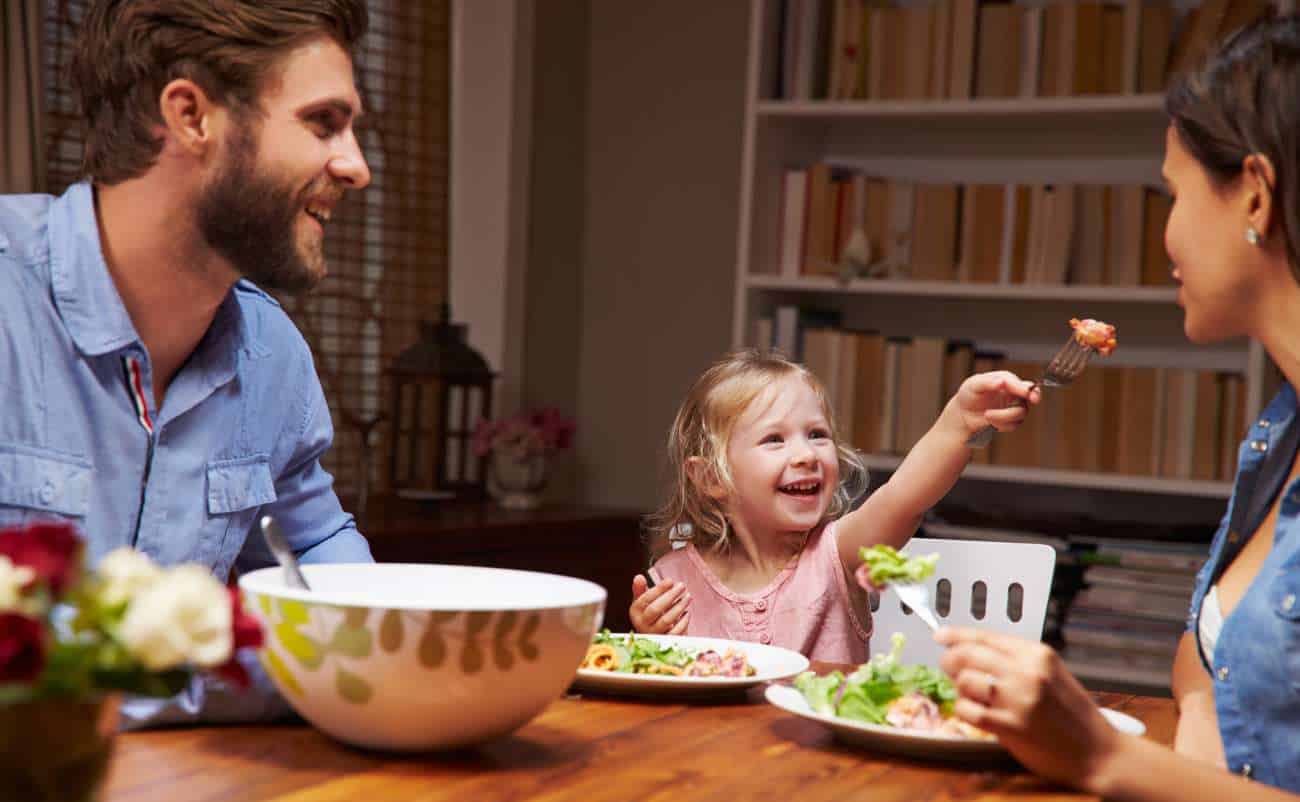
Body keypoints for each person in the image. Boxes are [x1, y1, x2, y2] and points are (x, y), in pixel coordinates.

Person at [938, 14, 1300, 799]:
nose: (1164, 236)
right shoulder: (1279, 434)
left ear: (1256, 197)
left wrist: (1102, 754)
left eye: (1171, 194)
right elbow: (1204, 670)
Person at [0, 0, 374, 726]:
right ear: (191, 115)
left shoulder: (274, 358)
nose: (354, 166)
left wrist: (388, 648)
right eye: (322, 122)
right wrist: (261, 677)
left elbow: (326, 577)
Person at [627, 349, 1039, 661]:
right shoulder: (673, 578)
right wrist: (650, 639)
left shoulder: (838, 554)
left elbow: (903, 498)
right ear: (712, 478)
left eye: (817, 435)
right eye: (775, 439)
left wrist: (959, 422)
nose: (806, 454)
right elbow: (664, 684)